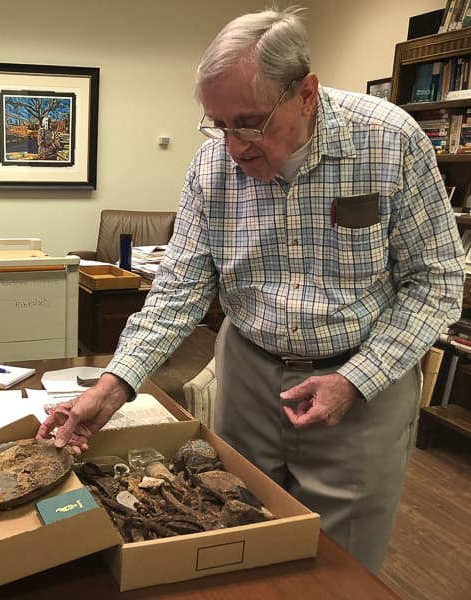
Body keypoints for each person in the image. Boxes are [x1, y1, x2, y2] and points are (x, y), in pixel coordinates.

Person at [38, 6, 465, 573]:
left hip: (363, 385)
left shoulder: (389, 142)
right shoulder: (212, 168)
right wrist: (114, 387)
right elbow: (177, 291)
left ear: (306, 93)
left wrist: (354, 381)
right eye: (219, 124)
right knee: (229, 530)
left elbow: (436, 283)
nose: (234, 145)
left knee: (340, 563)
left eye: (250, 122)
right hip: (247, 376)